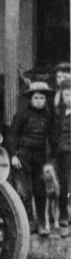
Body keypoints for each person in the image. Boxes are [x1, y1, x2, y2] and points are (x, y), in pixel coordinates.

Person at [9, 81, 55, 237]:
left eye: (42, 98)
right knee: (25, 191)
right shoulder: (22, 114)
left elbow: (52, 138)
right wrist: (13, 155)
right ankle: (28, 223)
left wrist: (51, 159)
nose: (39, 101)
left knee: (40, 190)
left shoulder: (48, 116)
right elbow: (13, 135)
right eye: (36, 97)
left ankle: (41, 223)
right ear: (30, 98)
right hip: (23, 155)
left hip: (40, 156)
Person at [52, 80, 70, 236]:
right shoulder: (59, 113)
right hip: (63, 153)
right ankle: (64, 215)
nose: (69, 98)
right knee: (64, 184)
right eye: (66, 94)